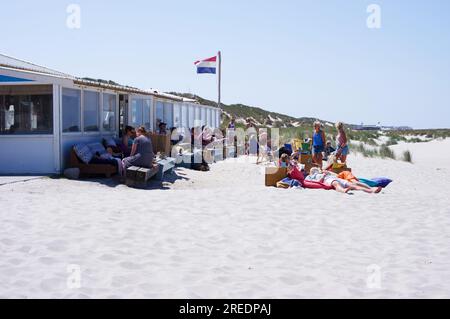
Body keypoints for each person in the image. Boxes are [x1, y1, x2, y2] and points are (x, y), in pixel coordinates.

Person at [306, 168, 381, 194]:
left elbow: (335, 175)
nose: (314, 170)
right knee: (336, 184)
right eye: (313, 169)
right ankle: (343, 190)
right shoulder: (311, 177)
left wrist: (326, 172)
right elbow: (317, 182)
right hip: (327, 180)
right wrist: (323, 177)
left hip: (333, 177)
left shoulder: (322, 172)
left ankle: (371, 190)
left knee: (353, 185)